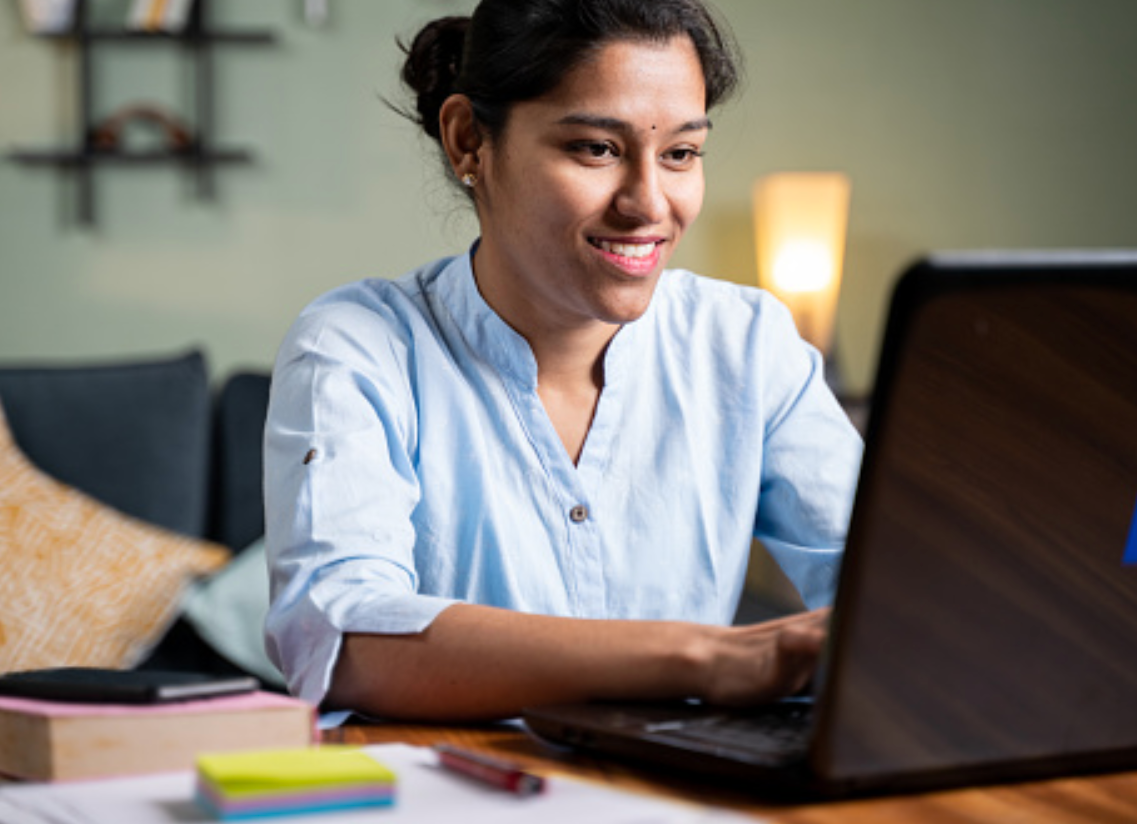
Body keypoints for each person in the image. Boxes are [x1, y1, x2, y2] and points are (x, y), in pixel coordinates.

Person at [264, 0, 862, 722]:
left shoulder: (746, 343)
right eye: (595, 149)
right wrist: (702, 657)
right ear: (467, 143)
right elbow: (342, 639)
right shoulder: (357, 345)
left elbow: (894, 592)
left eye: (680, 153)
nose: (648, 204)